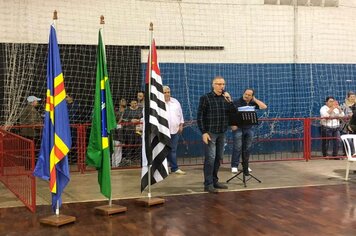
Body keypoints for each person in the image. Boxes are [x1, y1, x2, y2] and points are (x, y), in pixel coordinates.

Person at [197, 76, 234, 193]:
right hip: (210, 133)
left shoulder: (225, 98)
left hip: (222, 133)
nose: (221, 86)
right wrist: (203, 132)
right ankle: (208, 184)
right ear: (213, 85)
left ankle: (214, 180)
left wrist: (230, 100)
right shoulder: (205, 98)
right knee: (210, 158)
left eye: (223, 84)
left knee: (219, 158)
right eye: (218, 84)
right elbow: (200, 116)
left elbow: (233, 113)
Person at [231, 88, 267, 175]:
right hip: (238, 128)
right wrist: (232, 125)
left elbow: (264, 107)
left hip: (249, 128)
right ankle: (234, 166)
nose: (246, 96)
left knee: (247, 148)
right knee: (237, 147)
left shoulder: (253, 102)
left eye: (249, 95)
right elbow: (230, 114)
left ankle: (245, 166)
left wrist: (255, 100)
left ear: (252, 96)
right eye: (245, 94)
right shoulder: (236, 102)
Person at [163, 85, 185, 175]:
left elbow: (180, 114)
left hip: (175, 130)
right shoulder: (158, 103)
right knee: (163, 150)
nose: (167, 94)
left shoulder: (175, 102)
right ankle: (164, 169)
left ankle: (174, 168)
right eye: (165, 92)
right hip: (163, 131)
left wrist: (181, 125)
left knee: (173, 150)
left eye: (168, 92)